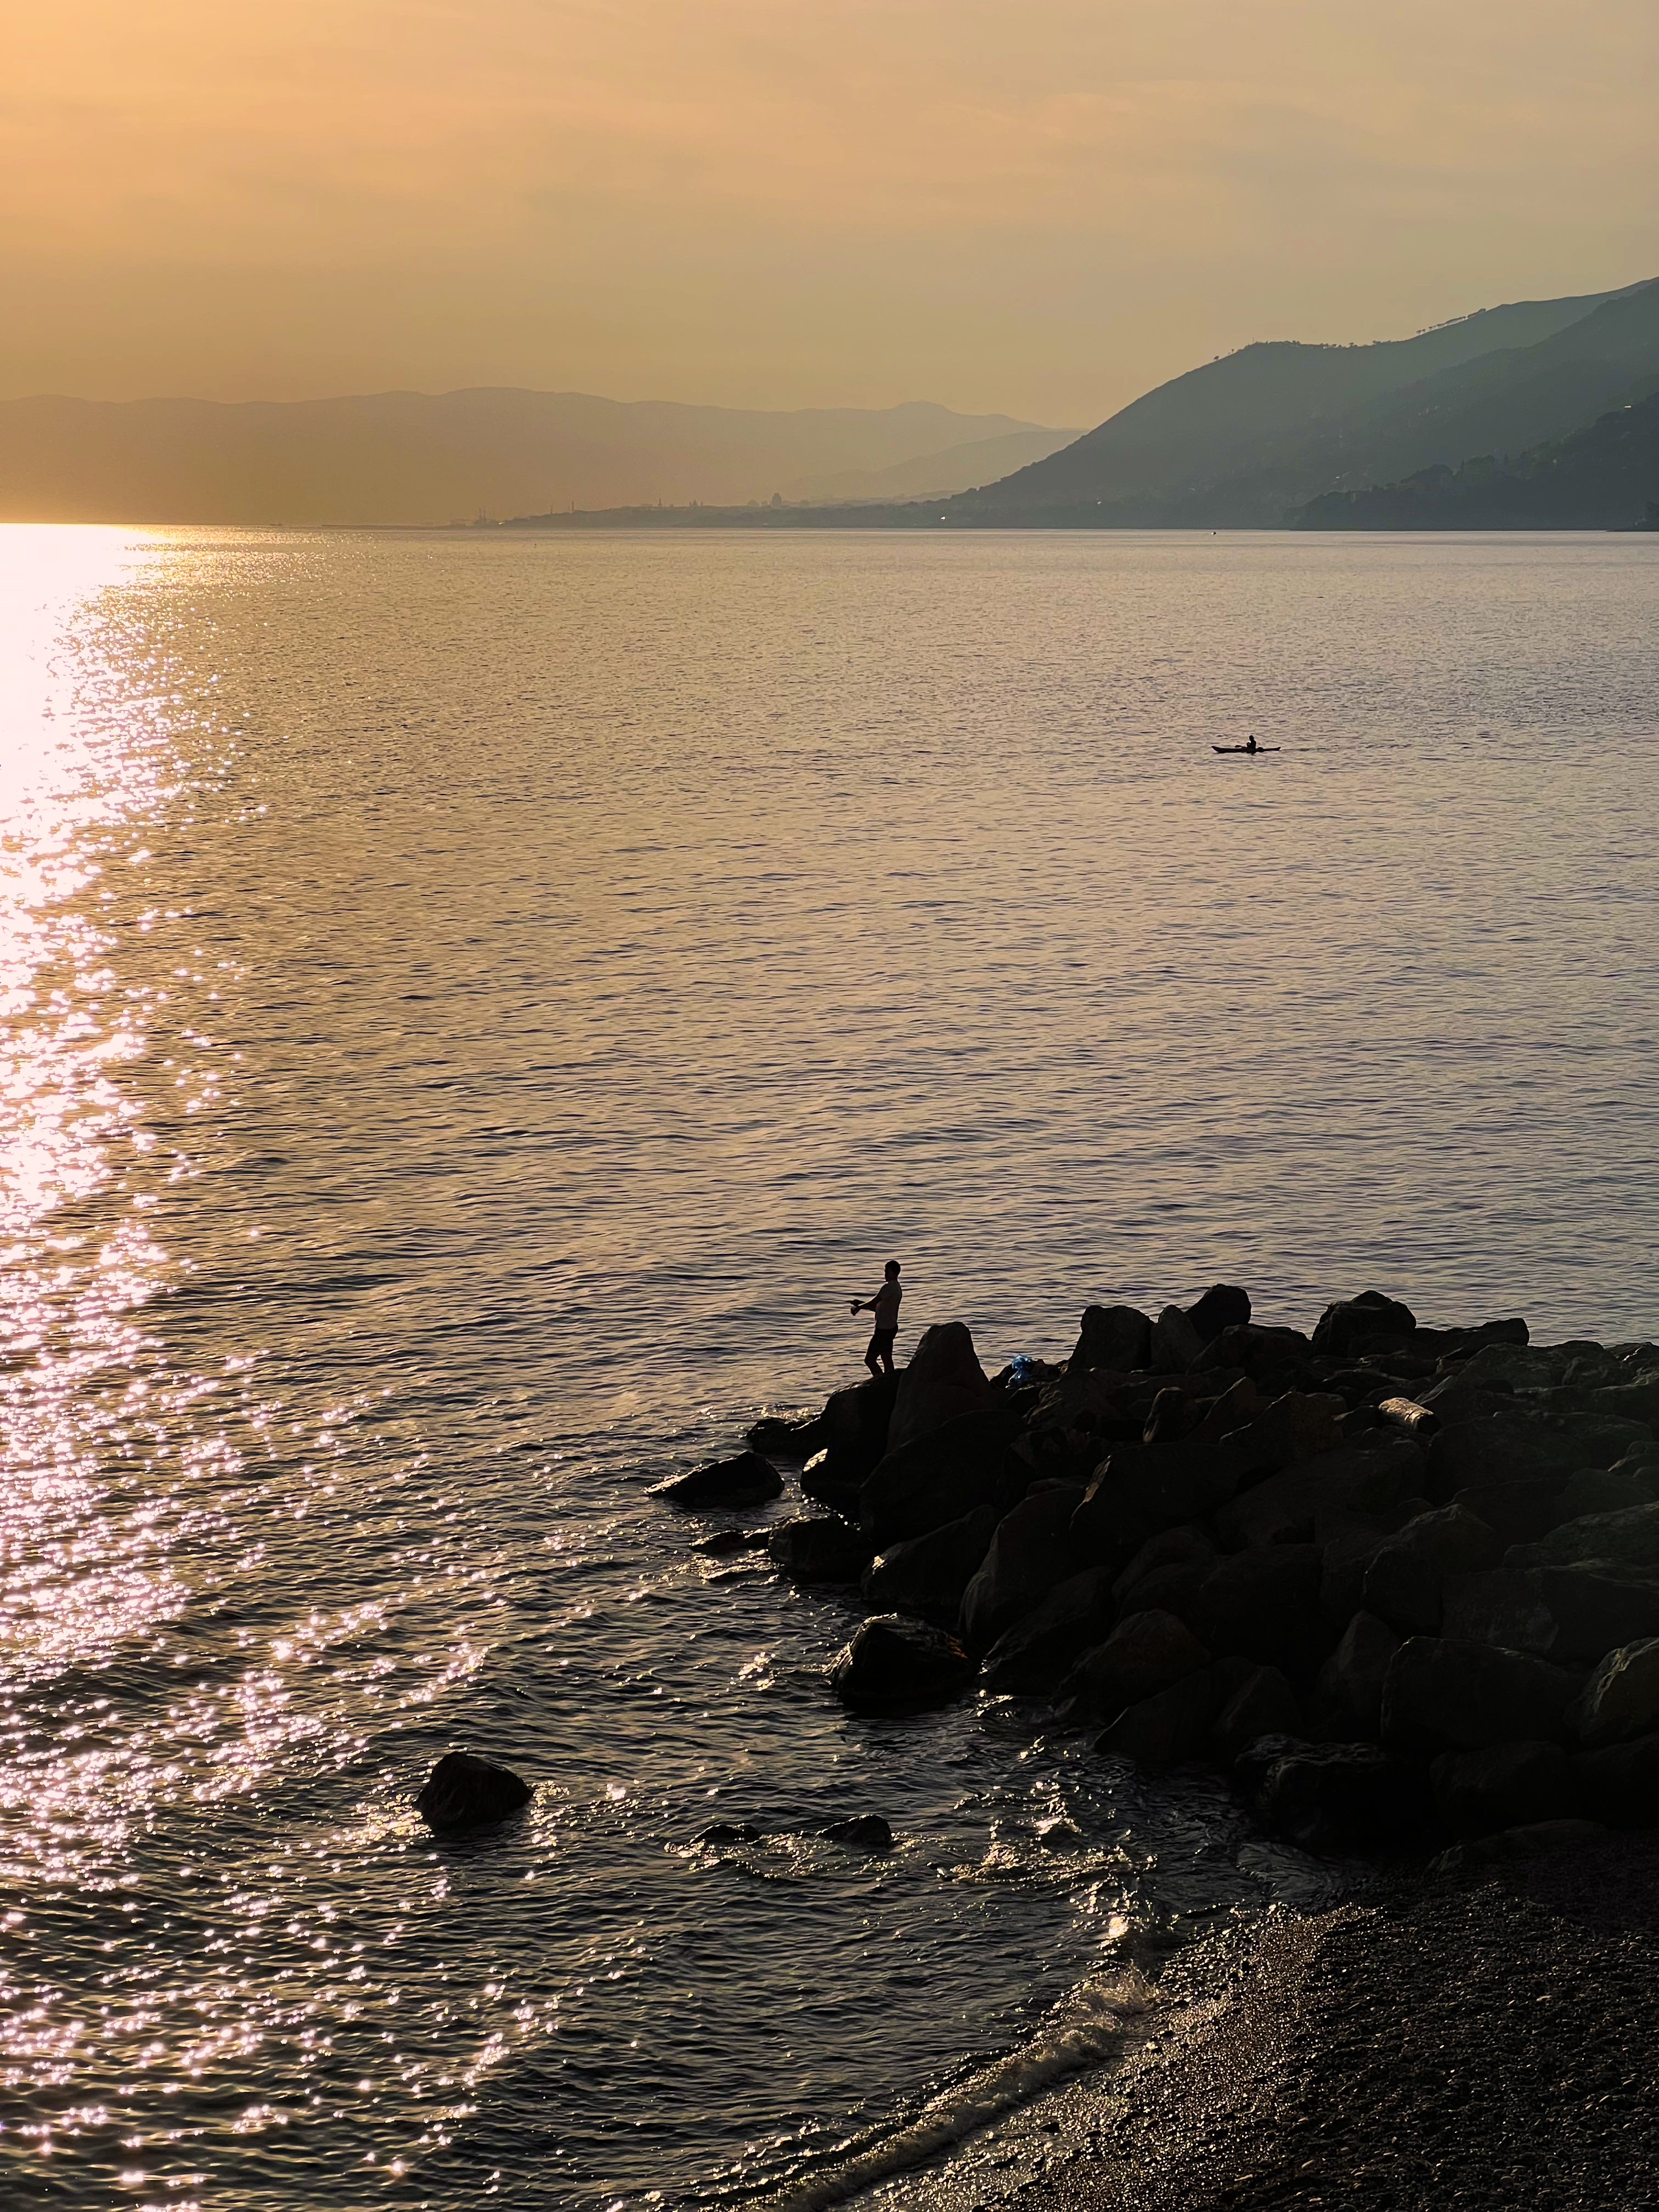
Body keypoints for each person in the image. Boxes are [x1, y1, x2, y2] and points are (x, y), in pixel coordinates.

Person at [851, 1260, 902, 1377]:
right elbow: (878, 1308)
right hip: (891, 1328)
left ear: (893, 1273)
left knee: (870, 1360)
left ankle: (880, 1381)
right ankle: (890, 1381)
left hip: (883, 1330)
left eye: (886, 1272)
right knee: (886, 1358)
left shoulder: (888, 1287)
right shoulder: (897, 1288)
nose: (885, 1275)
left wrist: (858, 1308)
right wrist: (862, 1305)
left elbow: (873, 1304)